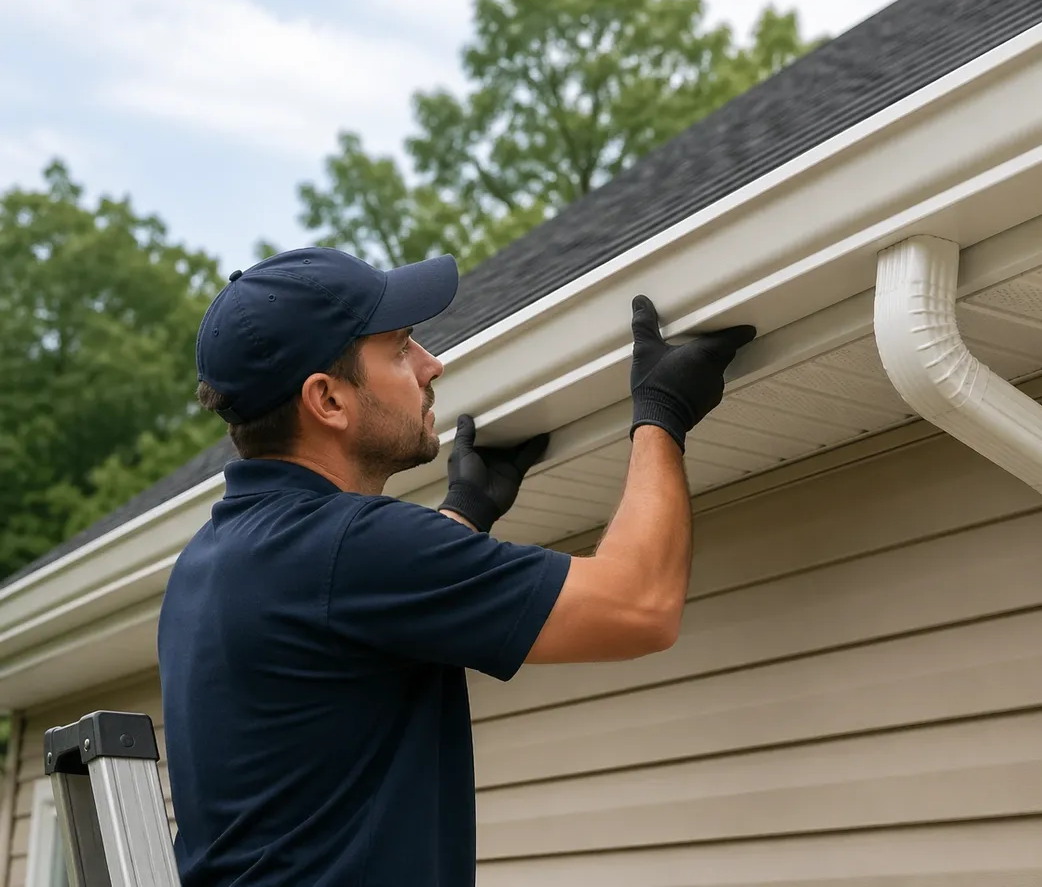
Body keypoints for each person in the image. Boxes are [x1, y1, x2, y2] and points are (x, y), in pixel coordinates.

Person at [156, 246, 756, 887]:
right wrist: (661, 415)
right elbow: (640, 606)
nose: (430, 364)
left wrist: (466, 512)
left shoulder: (207, 564)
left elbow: (352, 606)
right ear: (328, 400)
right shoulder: (350, 548)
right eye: (400, 348)